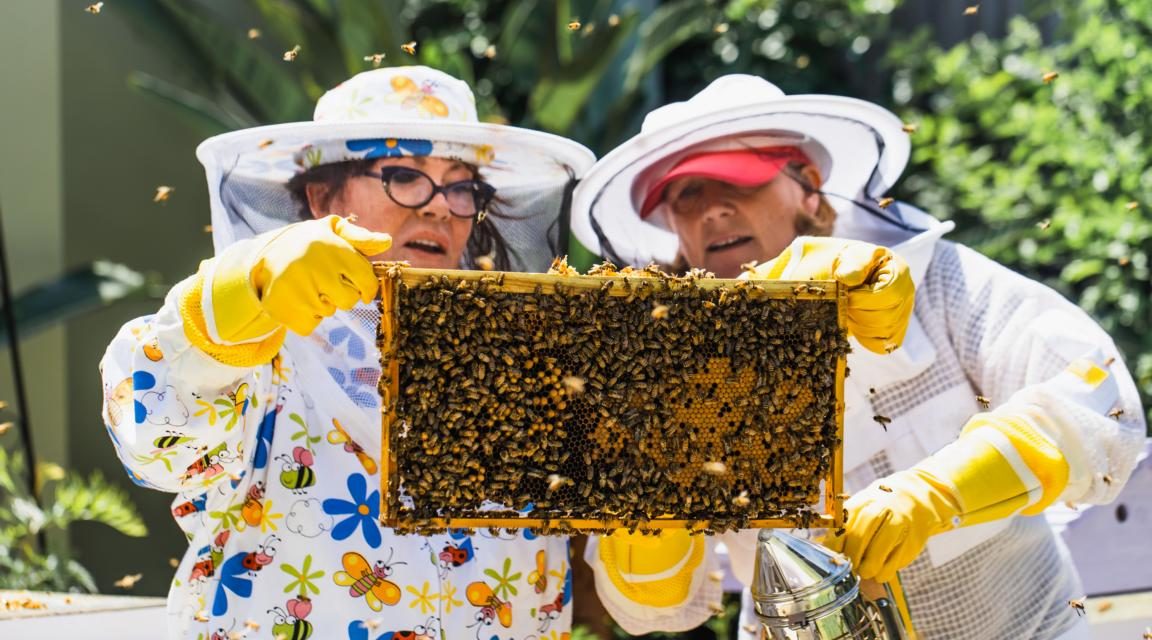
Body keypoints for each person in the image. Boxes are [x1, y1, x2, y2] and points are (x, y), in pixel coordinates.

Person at [570, 75, 1146, 639]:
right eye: (685, 195)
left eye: (737, 182)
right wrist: (653, 496)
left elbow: (1097, 401)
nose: (713, 210)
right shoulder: (661, 373)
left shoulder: (935, 282)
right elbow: (649, 609)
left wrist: (939, 493)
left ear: (808, 186)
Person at [100, 66, 595, 639]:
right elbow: (155, 436)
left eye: (461, 187)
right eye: (404, 175)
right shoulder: (260, 354)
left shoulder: (527, 370)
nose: (440, 208)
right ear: (321, 196)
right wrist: (238, 296)